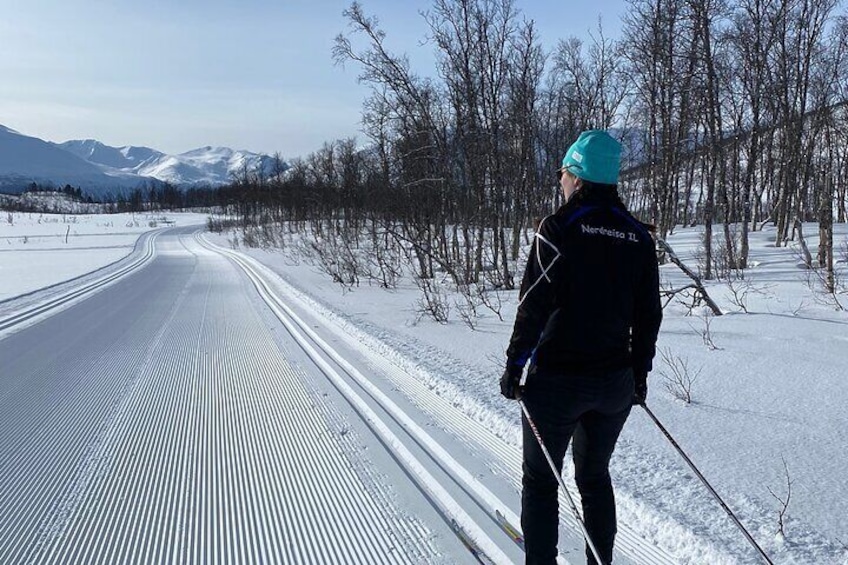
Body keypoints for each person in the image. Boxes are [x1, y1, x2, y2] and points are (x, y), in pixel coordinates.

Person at [500, 130, 662, 565]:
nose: (561, 182)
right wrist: (638, 376)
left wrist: (515, 367)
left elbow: (532, 303)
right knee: (593, 478)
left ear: (577, 177)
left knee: (540, 481)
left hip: (556, 385)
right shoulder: (638, 237)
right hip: (612, 386)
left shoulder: (559, 228)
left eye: (564, 174)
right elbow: (649, 316)